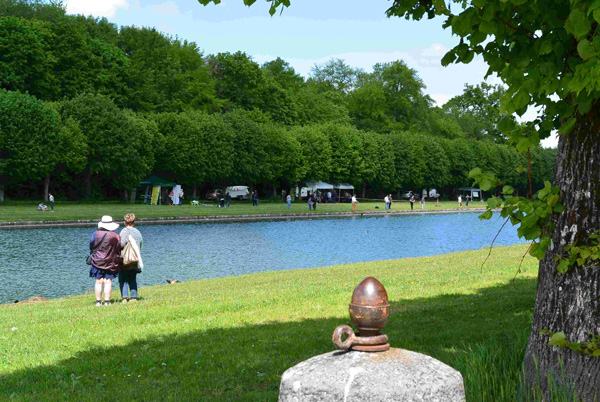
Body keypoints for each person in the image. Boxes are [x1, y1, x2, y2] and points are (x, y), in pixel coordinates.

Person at [89, 216, 121, 306]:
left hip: (97, 260)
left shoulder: (95, 234)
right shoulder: (116, 235)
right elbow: (119, 248)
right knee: (108, 281)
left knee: (98, 281)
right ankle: (107, 301)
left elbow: (91, 245)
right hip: (111, 262)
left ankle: (98, 302)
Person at [119, 214, 143, 303]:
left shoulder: (124, 231)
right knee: (132, 278)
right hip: (135, 258)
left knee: (123, 278)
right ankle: (133, 297)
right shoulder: (137, 232)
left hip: (125, 259)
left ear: (125, 222)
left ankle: (125, 298)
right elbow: (140, 244)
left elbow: (121, 244)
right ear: (133, 222)